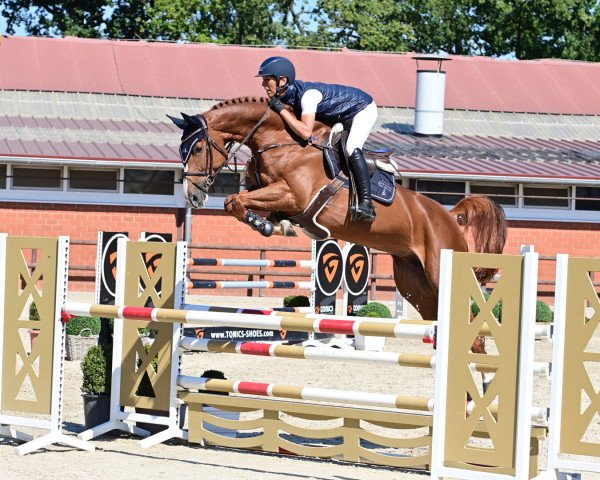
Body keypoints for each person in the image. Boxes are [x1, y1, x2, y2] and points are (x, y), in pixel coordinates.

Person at [256, 56, 377, 222]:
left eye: (267, 80)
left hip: (362, 109)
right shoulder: (286, 95)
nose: (263, 84)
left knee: (351, 148)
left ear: (282, 80)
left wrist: (281, 110)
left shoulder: (308, 96)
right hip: (340, 115)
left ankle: (367, 204)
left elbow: (305, 132)